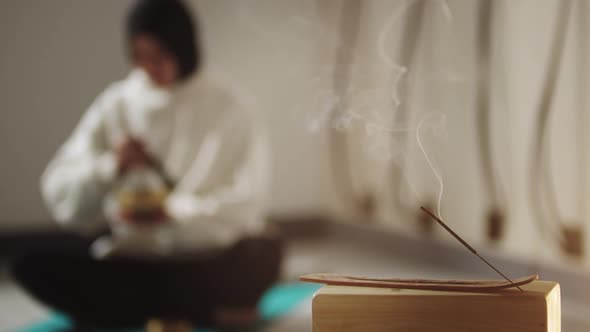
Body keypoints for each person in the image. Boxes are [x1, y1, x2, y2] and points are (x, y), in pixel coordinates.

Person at [11, 0, 281, 329]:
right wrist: (111, 167)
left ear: (184, 48)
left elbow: (247, 205)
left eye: (159, 55)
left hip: (201, 258)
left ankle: (120, 309)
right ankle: (200, 309)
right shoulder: (118, 103)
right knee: (29, 262)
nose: (149, 67)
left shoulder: (231, 106)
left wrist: (174, 216)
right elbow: (61, 194)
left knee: (263, 253)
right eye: (140, 57)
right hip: (131, 258)